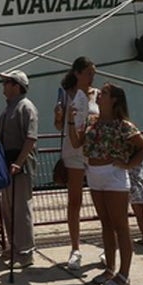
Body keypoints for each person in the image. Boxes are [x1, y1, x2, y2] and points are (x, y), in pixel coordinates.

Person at [69, 83, 143, 285]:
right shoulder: (92, 121)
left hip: (113, 174)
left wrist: (128, 164)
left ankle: (124, 273)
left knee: (121, 226)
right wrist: (70, 119)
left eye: (104, 93)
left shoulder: (123, 125)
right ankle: (111, 268)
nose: (98, 94)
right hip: (94, 174)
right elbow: (77, 143)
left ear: (114, 99)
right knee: (105, 223)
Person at [53, 57, 98, 270]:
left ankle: (108, 246)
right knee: (74, 201)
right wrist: (58, 116)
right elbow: (58, 126)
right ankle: (75, 248)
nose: (92, 77)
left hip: (94, 151)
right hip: (73, 150)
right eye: (88, 73)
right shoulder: (65, 95)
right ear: (77, 73)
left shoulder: (98, 94)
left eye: (93, 73)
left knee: (102, 199)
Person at [0, 69, 39, 268]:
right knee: (9, 208)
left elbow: (31, 138)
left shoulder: (26, 107)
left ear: (16, 86)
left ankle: (26, 250)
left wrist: (19, 163)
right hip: (7, 164)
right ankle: (14, 245)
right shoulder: (9, 108)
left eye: (7, 83)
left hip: (19, 164)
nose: (3, 86)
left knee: (22, 209)